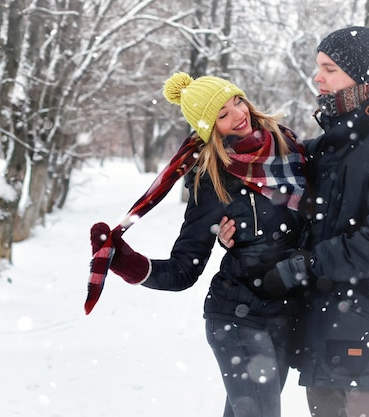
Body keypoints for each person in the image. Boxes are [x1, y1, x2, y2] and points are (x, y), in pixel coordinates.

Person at [219, 22, 369, 417]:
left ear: (363, 76)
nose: (317, 77)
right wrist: (240, 228)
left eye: (329, 68)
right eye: (317, 66)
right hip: (322, 334)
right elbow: (292, 205)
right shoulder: (329, 145)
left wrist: (301, 267)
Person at [90, 72, 306, 417]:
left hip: (282, 312)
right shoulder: (214, 179)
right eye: (222, 115)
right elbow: (183, 270)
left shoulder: (289, 148)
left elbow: (309, 225)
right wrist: (129, 263)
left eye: (236, 100)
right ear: (210, 129)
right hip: (237, 317)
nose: (238, 114)